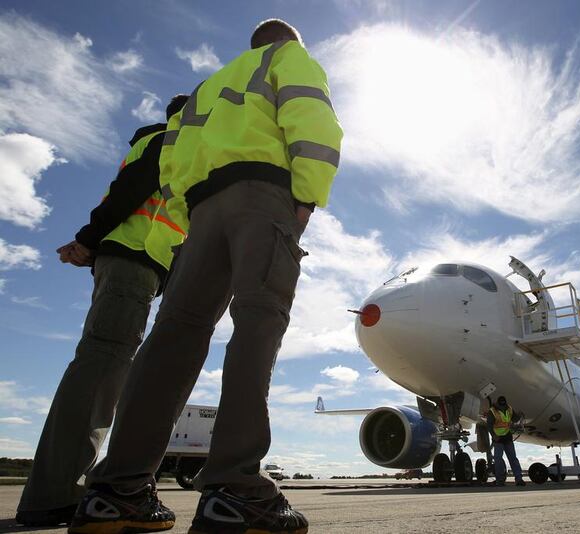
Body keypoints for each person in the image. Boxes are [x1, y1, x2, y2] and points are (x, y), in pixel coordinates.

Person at [71, 18, 342, 534]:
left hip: (201, 209)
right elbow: (314, 122)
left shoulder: (207, 89)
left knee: (175, 333)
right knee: (258, 323)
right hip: (263, 196)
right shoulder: (288, 59)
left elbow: (170, 158)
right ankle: (235, 488)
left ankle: (117, 489)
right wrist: (305, 196)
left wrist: (188, 209)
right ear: (290, 41)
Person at [15, 95, 189, 527]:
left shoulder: (162, 142)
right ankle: (56, 495)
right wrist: (89, 239)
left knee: (103, 369)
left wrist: (92, 247)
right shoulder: (172, 141)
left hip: (133, 264)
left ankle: (59, 491)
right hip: (133, 260)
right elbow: (132, 194)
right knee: (101, 370)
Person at [486, 396, 526, 487]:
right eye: (501, 406)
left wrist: (519, 415)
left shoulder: (509, 409)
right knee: (498, 459)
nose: (503, 407)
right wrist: (493, 435)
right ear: (498, 404)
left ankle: (519, 479)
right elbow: (489, 425)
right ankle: (500, 480)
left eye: (504, 405)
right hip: (498, 439)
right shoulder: (492, 411)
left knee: (513, 458)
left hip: (507, 437)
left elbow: (514, 418)